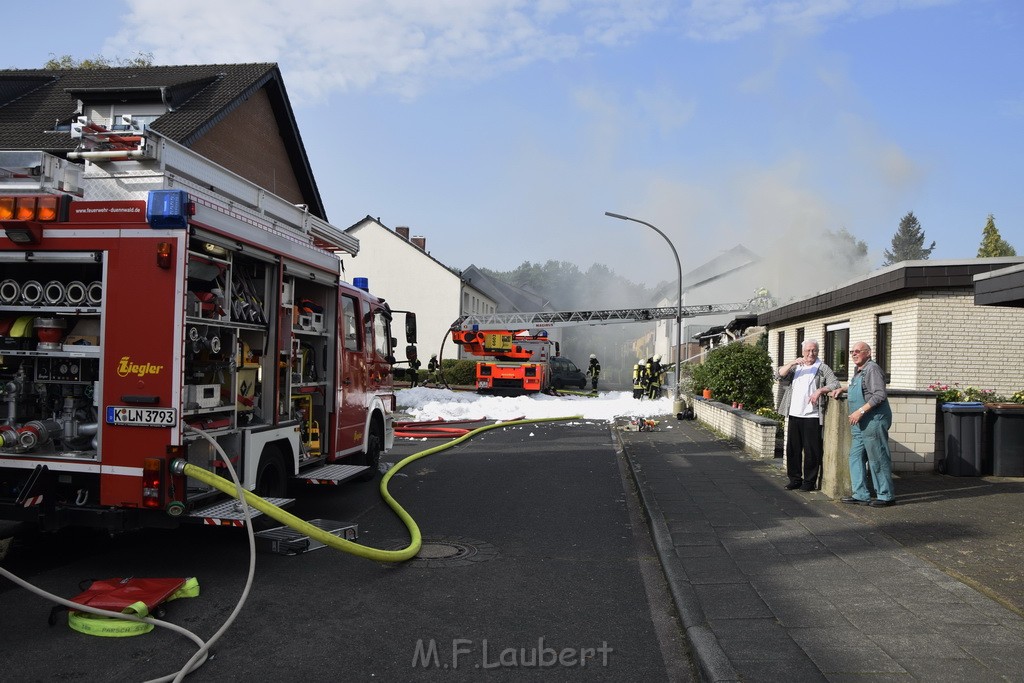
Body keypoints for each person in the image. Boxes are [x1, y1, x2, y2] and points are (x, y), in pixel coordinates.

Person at [831, 341, 895, 507]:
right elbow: (861, 388)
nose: (854, 353)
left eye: (858, 351)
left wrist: (860, 411)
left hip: (873, 419)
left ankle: (885, 495)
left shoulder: (872, 369)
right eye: (852, 351)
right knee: (855, 456)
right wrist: (842, 389)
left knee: (877, 458)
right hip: (859, 423)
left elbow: (879, 394)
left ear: (868, 353)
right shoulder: (859, 371)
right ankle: (860, 494)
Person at [776, 339, 840, 491]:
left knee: (812, 450)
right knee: (793, 449)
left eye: (814, 351)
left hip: (812, 416)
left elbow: (835, 383)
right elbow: (778, 375)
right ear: (802, 351)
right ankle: (794, 479)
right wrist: (792, 363)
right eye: (808, 351)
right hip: (794, 413)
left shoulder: (822, 368)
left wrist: (820, 390)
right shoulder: (796, 368)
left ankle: (809, 482)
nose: (811, 354)